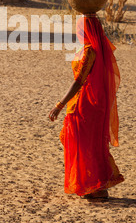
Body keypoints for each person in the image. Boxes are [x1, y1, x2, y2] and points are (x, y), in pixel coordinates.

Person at [49, 14, 124, 199]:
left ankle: (97, 186)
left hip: (87, 104)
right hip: (83, 102)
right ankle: (90, 184)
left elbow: (78, 81)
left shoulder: (91, 51)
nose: (78, 31)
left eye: (81, 28)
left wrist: (59, 105)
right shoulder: (86, 49)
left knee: (86, 143)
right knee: (81, 142)